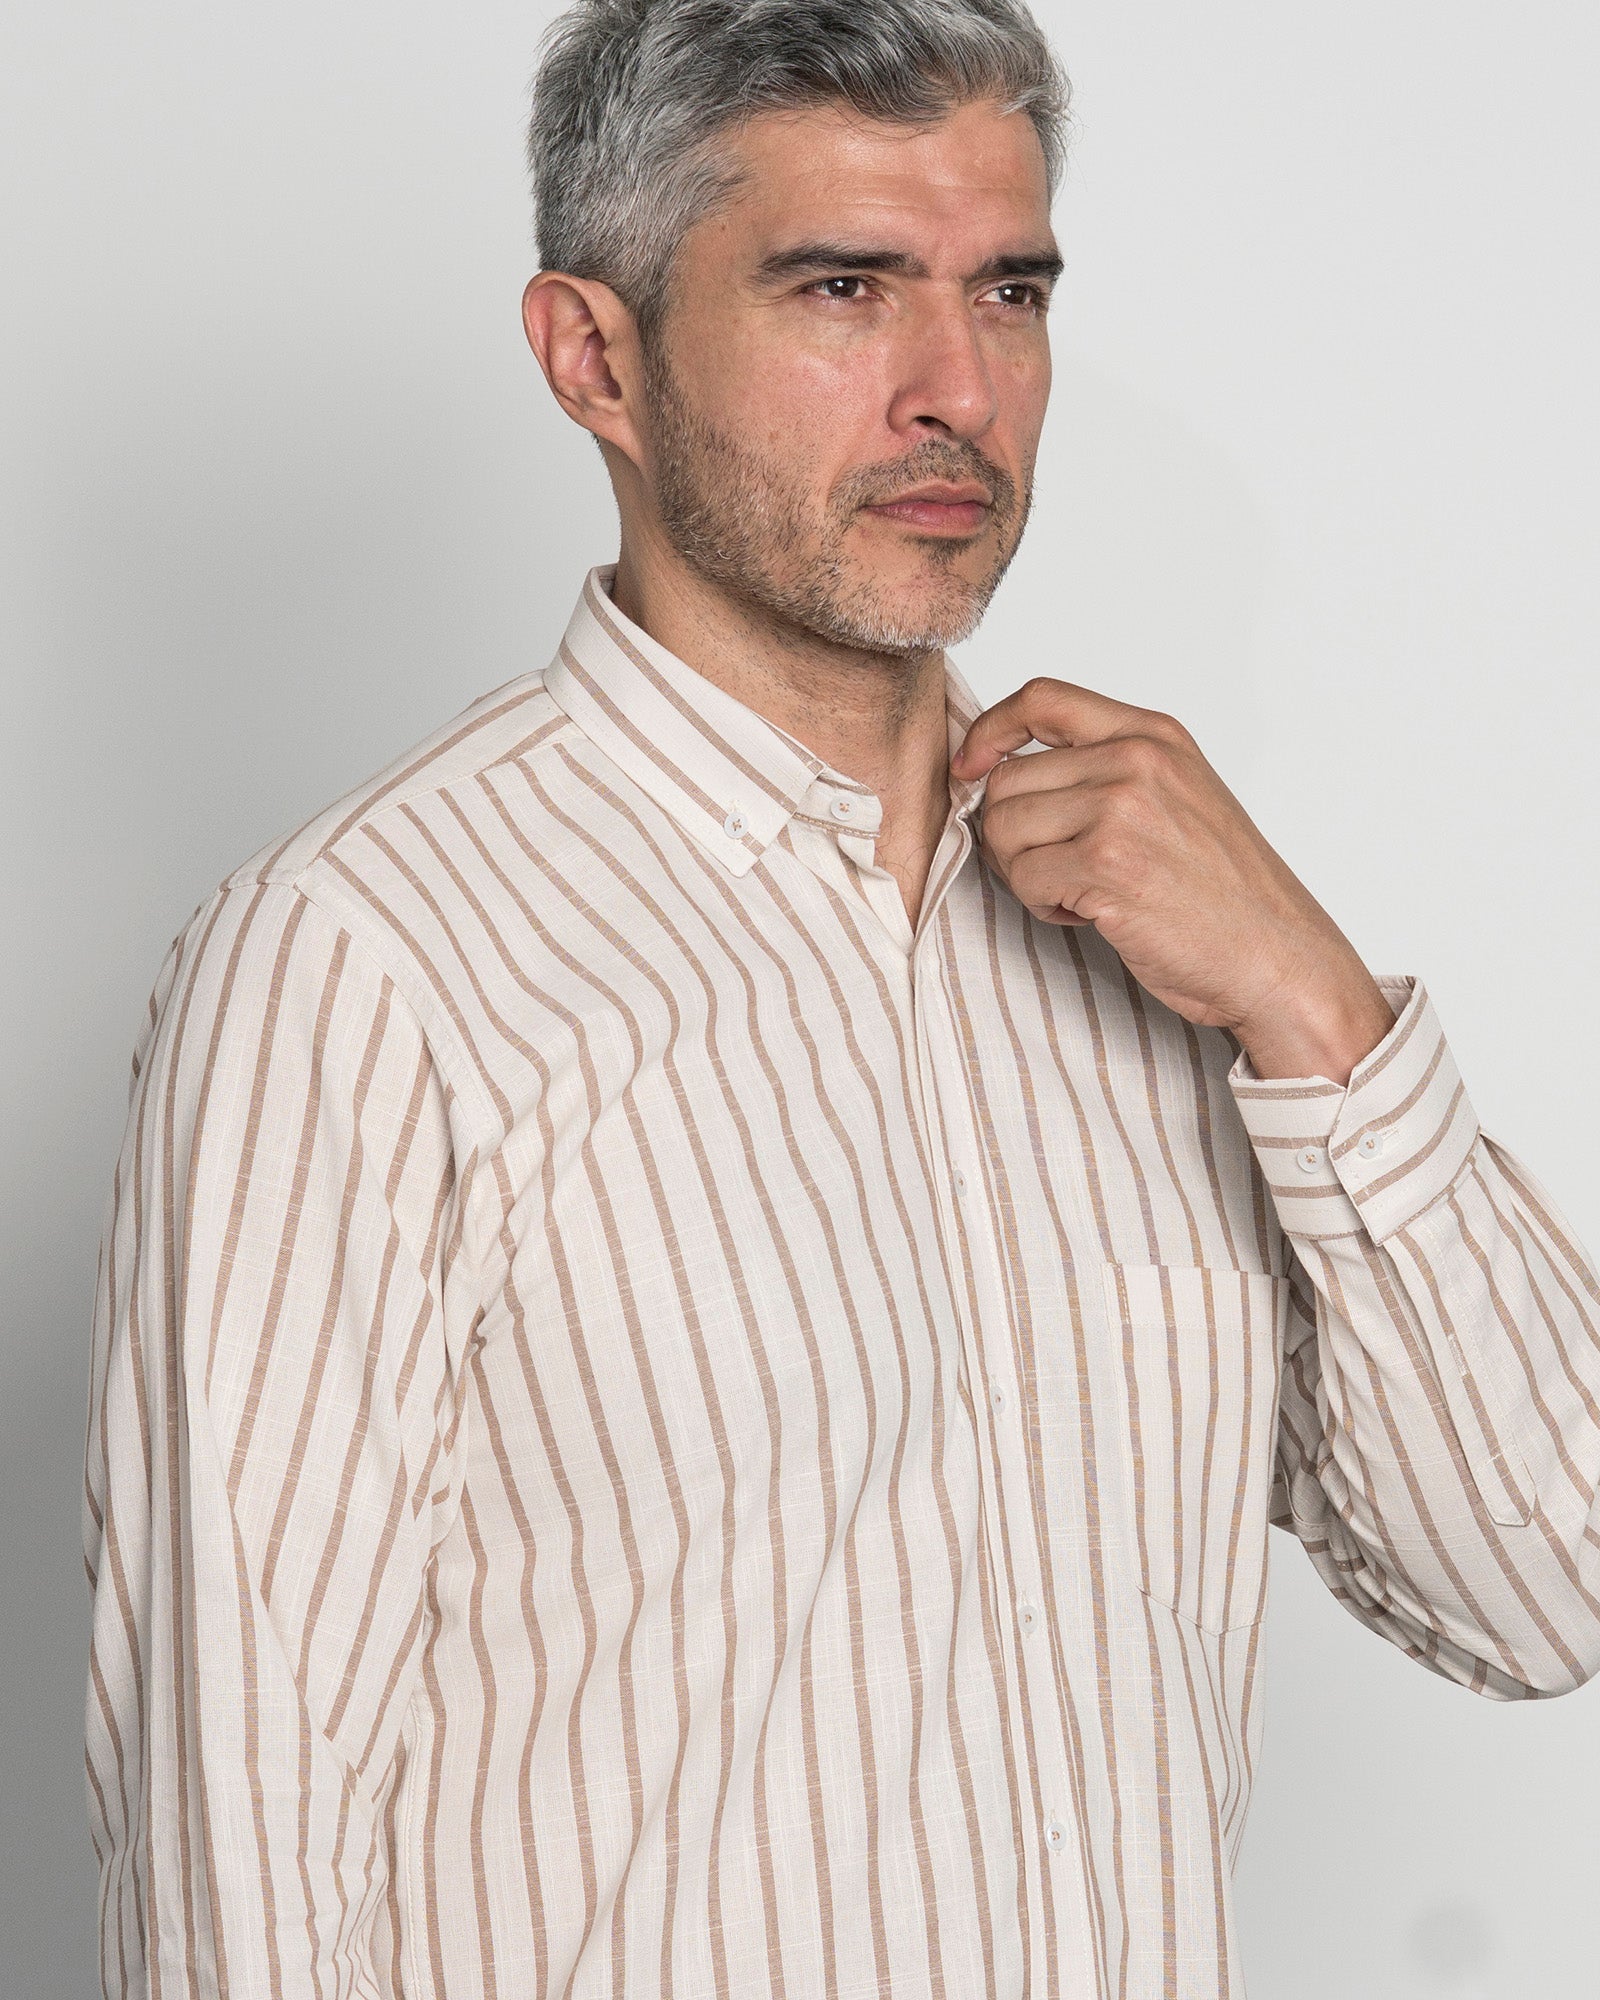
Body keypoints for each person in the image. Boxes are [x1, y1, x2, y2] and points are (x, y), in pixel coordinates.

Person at [82, 1, 1600, 1994]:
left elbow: (1540, 1588)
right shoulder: (363, 960)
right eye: (842, 289)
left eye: (1009, 292)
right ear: (595, 357)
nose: (959, 390)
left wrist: (1311, 1003)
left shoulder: (1167, 937)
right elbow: (239, 1849)